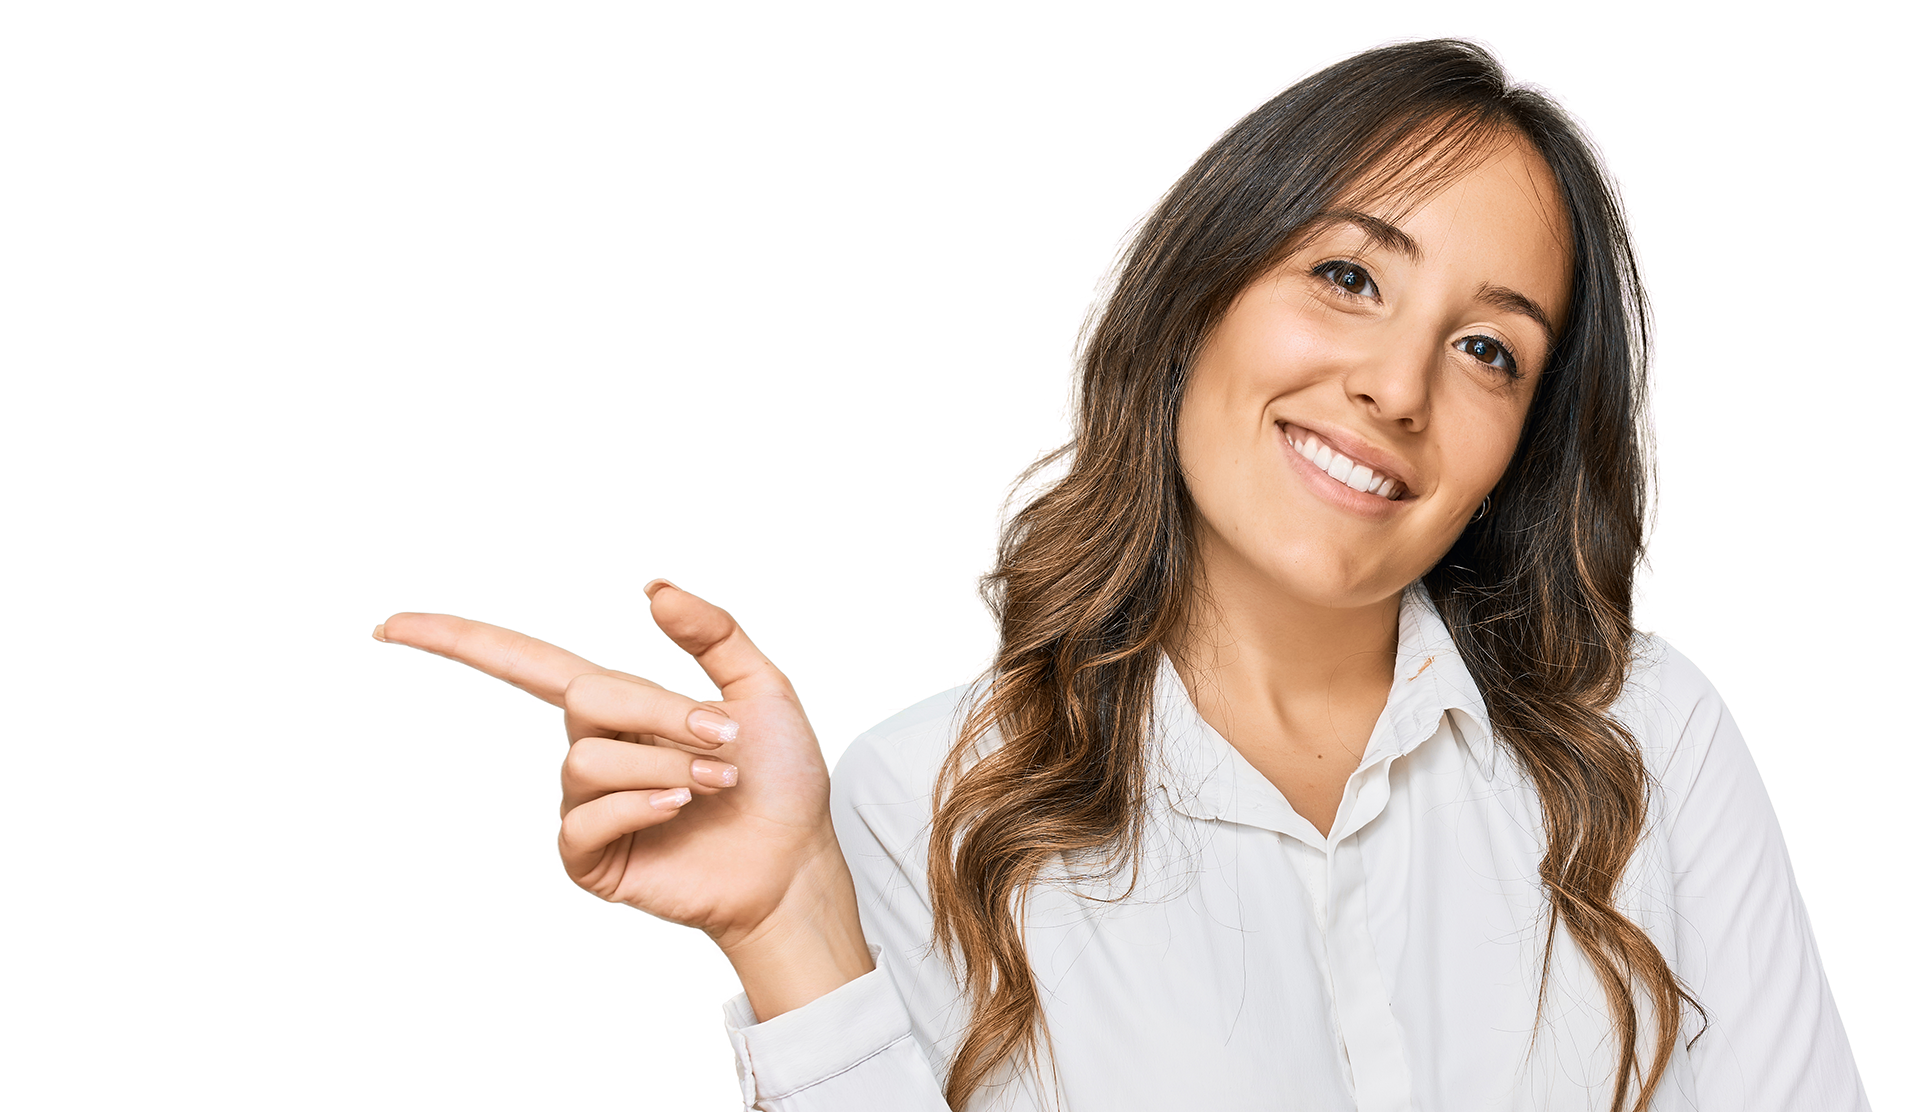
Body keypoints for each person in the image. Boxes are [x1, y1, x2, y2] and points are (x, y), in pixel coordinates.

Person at [374, 40, 1867, 1111]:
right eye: (1348, 275)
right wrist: (790, 932)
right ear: (1200, 297)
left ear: (1523, 442)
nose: (1397, 387)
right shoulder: (927, 802)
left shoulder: (1646, 739)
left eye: (1489, 349)